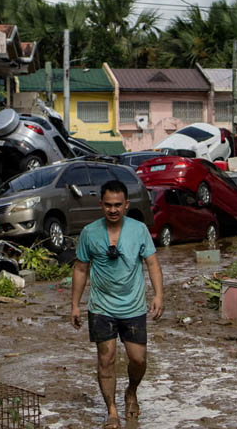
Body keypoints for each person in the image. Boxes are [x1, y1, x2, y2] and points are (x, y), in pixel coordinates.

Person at [71, 180, 164, 429]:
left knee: (138, 359)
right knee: (107, 358)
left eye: (118, 205)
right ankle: (111, 411)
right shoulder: (90, 233)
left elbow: (152, 263)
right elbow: (80, 268)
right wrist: (75, 305)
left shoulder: (139, 230)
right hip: (101, 307)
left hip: (133, 306)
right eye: (108, 205)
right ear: (101, 204)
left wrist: (158, 295)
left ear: (126, 205)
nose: (113, 210)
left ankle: (131, 391)